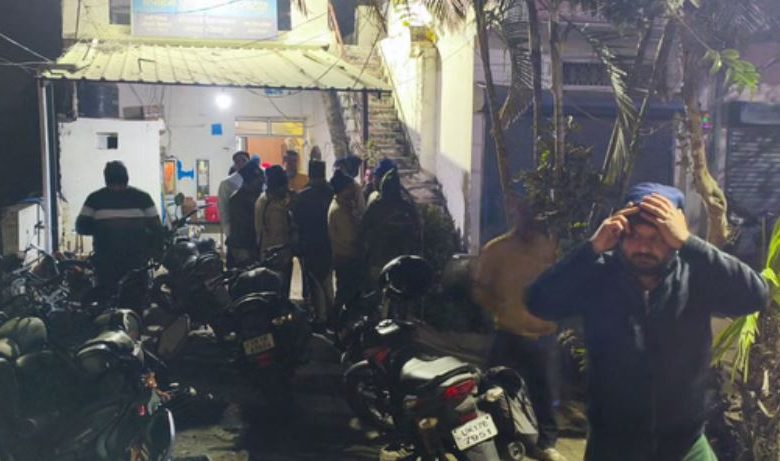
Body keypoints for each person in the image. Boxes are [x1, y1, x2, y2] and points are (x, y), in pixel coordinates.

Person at [526, 183, 770, 461]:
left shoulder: (695, 277)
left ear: (675, 237)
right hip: (611, 446)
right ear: (620, 234)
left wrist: (689, 242)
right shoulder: (599, 276)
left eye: (657, 238)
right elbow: (538, 302)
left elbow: (755, 296)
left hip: (685, 445)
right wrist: (590, 248)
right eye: (635, 236)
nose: (644, 247)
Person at [470, 200, 568, 461]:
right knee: (495, 392)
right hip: (508, 333)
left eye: (535, 216)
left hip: (543, 335)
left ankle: (545, 444)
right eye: (526, 215)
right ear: (517, 216)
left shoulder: (550, 246)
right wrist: (498, 307)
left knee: (544, 392)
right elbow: (479, 288)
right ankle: (500, 442)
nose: (531, 221)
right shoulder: (497, 249)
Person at [76, 161, 162, 290]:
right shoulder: (143, 198)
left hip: (106, 261)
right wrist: (155, 253)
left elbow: (81, 227)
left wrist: (102, 229)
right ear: (126, 177)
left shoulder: (95, 199)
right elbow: (157, 228)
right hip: (136, 262)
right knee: (137, 296)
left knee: (107, 296)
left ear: (106, 179)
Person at [360, 168, 421, 291]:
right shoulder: (407, 208)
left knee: (377, 293)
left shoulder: (375, 207)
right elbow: (418, 234)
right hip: (402, 264)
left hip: (378, 263)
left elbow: (362, 231)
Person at [292, 160, 335, 325]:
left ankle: (320, 316)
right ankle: (331, 313)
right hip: (328, 243)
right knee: (327, 280)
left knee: (313, 282)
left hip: (309, 244)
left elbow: (295, 222)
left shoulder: (302, 196)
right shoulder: (332, 193)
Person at [255, 165, 296, 297]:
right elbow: (260, 229)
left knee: (283, 291)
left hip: (283, 252)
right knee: (273, 291)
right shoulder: (266, 202)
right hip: (271, 254)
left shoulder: (281, 200)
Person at [328, 169, 364, 311]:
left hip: (345, 257)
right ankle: (336, 320)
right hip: (346, 258)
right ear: (343, 190)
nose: (353, 191)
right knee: (344, 294)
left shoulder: (344, 206)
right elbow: (351, 237)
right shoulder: (339, 211)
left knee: (347, 294)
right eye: (350, 188)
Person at [227, 157, 264, 268]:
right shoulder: (240, 199)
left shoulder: (255, 196)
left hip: (250, 246)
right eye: (258, 180)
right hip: (242, 248)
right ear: (249, 180)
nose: (261, 183)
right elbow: (245, 226)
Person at [217, 151, 251, 238]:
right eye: (237, 161)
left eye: (244, 160)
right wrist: (228, 231)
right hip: (237, 229)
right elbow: (223, 209)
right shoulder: (226, 184)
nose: (241, 163)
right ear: (234, 165)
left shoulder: (258, 180)